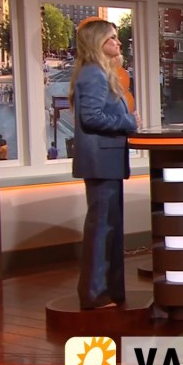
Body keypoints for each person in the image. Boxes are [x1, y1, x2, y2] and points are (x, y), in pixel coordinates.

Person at [69, 18, 141, 310]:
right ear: (98, 42)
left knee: (109, 228)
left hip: (107, 161)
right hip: (100, 161)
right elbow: (92, 117)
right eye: (112, 38)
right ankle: (94, 294)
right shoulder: (93, 74)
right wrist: (128, 122)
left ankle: (110, 291)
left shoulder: (100, 72)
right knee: (101, 229)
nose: (118, 42)